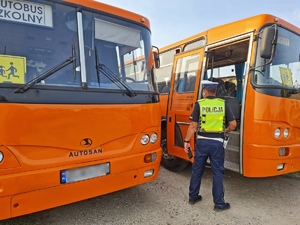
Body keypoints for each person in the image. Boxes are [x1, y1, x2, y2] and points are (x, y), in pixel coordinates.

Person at [183, 80, 237, 212]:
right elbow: (233, 124)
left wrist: (186, 141)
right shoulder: (223, 104)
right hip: (217, 143)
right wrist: (226, 131)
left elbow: (193, 125)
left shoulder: (199, 104)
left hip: (202, 142)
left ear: (205, 92)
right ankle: (219, 204)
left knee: (197, 170)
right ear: (215, 92)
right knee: (217, 173)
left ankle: (193, 197)